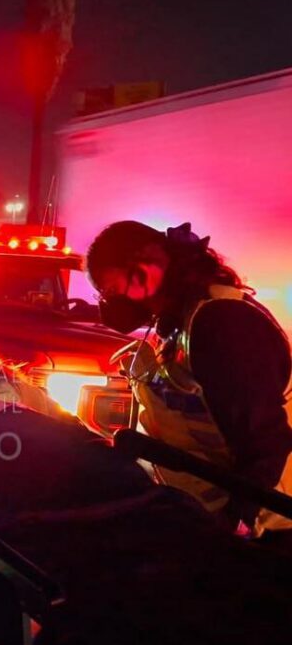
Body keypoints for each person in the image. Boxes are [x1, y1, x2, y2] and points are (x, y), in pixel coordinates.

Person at [87, 220, 292, 537]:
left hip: (265, 529)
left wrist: (238, 520)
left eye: (113, 290)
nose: (111, 304)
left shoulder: (221, 323)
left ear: (145, 267)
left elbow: (268, 440)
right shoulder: (179, 322)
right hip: (206, 516)